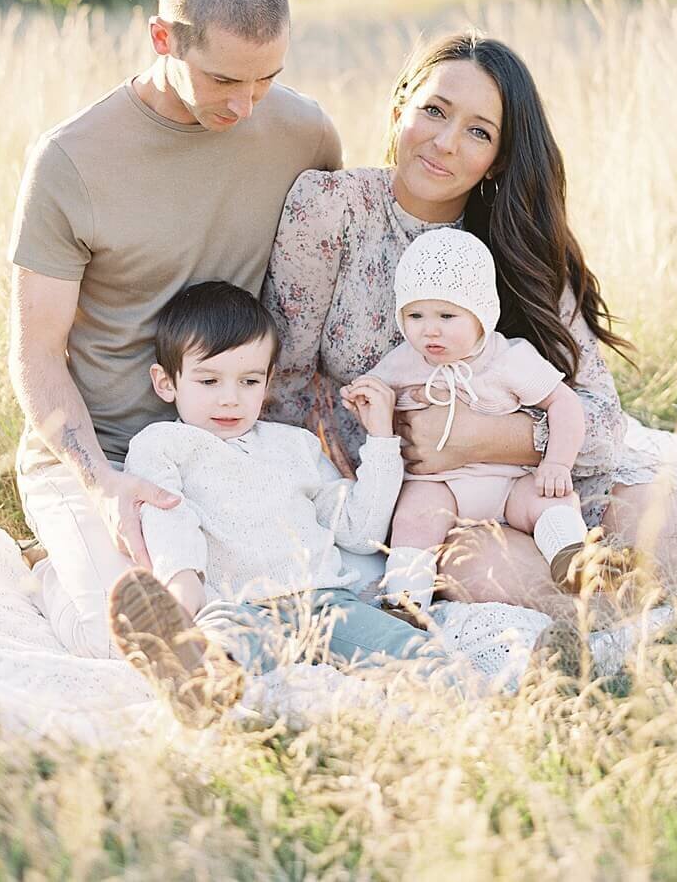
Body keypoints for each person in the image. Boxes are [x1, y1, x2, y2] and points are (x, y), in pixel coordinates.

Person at [263, 31, 677, 612]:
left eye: (479, 132)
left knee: (670, 538)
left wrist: (478, 438)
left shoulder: (516, 244)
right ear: (401, 106)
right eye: (434, 111)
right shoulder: (331, 209)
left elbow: (602, 421)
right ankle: (641, 625)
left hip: (533, 483)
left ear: (499, 159)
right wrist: (367, 471)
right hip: (406, 496)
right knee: (482, 574)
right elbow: (282, 386)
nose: (446, 142)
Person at [9, 0, 342, 658]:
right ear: (162, 37)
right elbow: (37, 355)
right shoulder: (70, 160)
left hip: (236, 444)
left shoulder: (304, 130)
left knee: (289, 615)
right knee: (126, 642)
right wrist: (100, 485)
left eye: (267, 78)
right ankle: (61, 566)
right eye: (224, 80)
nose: (248, 106)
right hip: (105, 453)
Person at [108, 280, 460, 723]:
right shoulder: (164, 443)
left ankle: (516, 706)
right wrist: (181, 592)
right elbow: (166, 514)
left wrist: (382, 439)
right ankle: (195, 679)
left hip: (328, 603)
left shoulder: (296, 445)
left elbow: (359, 531)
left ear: (268, 382)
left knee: (423, 656)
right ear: (166, 382)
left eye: (249, 381)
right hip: (241, 606)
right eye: (209, 380)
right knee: (220, 646)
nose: (230, 397)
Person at [344, 227, 597, 623]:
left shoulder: (508, 359)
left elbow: (564, 402)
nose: (430, 330)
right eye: (415, 315)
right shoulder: (402, 362)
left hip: (510, 482)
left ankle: (574, 558)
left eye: (447, 315)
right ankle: (405, 602)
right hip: (441, 487)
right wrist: (367, 400)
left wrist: (557, 462)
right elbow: (382, 404)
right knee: (413, 517)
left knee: (549, 497)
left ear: (481, 315)